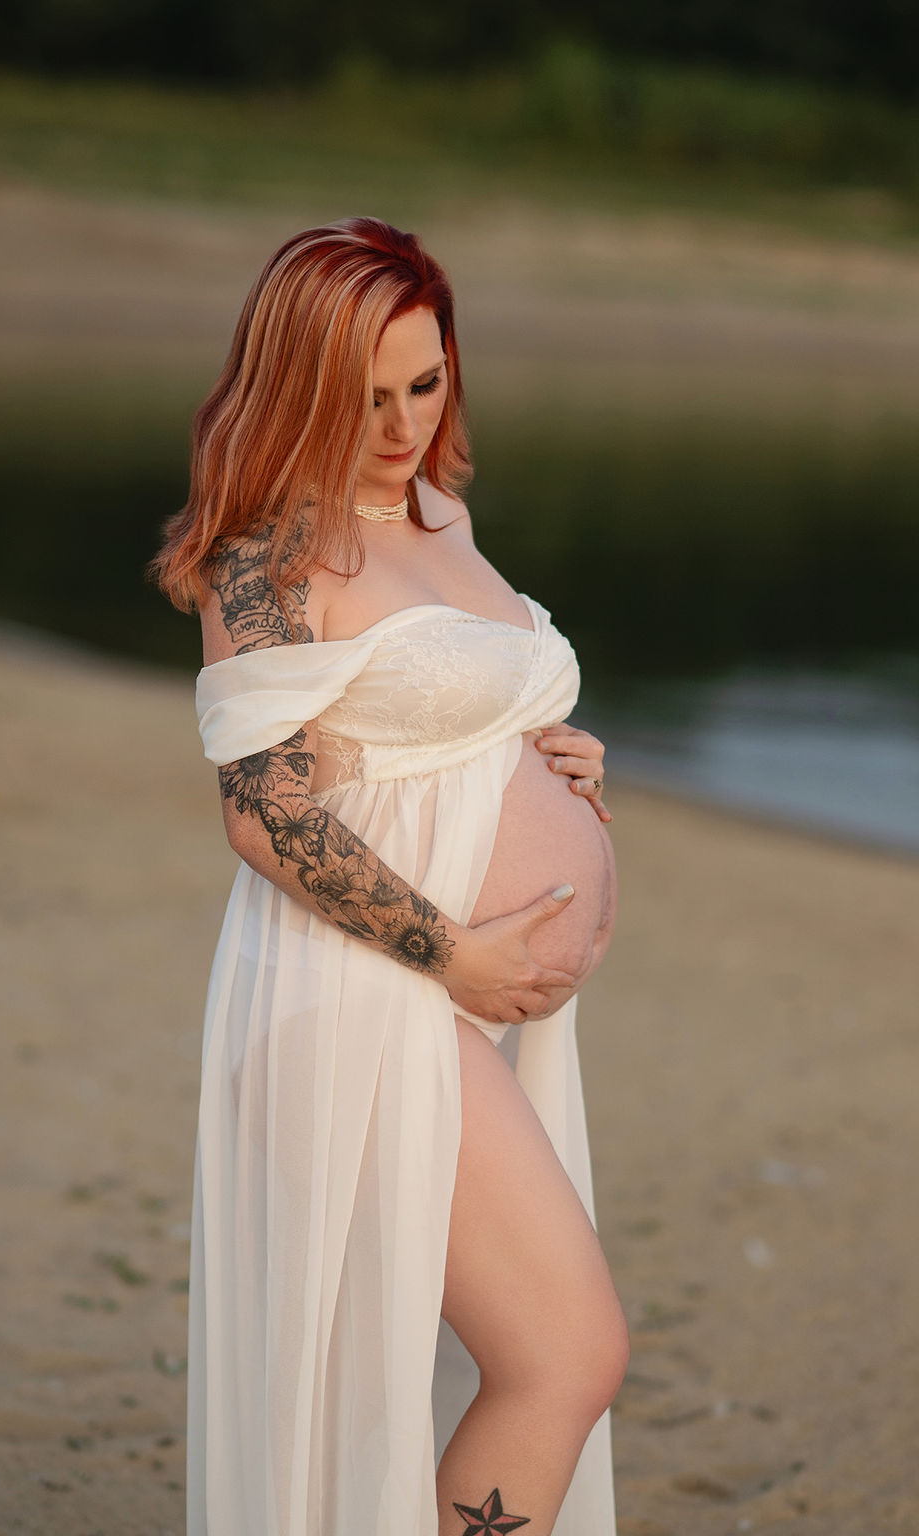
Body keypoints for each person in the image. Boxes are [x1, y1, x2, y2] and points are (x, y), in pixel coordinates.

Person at [152, 217, 628, 1536]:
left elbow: (428, 728)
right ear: (297, 384)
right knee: (567, 1356)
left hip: (446, 1011)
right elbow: (264, 812)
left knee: (530, 1358)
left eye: (425, 383)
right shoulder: (266, 549)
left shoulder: (438, 519)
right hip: (357, 998)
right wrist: (457, 954)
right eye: (365, 396)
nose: (401, 423)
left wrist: (552, 763)